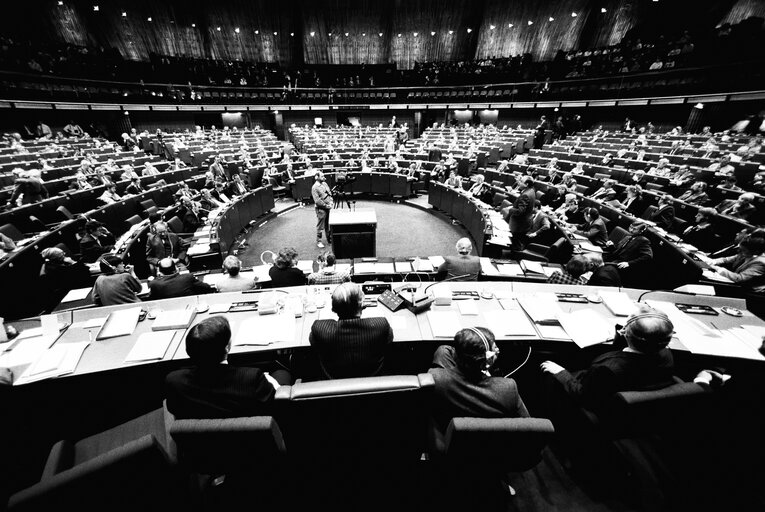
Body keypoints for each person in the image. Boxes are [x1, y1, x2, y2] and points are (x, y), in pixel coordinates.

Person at [541, 306, 675, 410]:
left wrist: (561, 373)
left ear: (626, 332)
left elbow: (584, 396)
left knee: (551, 372)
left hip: (597, 403)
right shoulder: (666, 355)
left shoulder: (607, 369)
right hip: (635, 396)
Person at [165, 316, 287, 419]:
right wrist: (271, 383)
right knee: (281, 372)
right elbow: (275, 408)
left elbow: (174, 409)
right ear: (227, 348)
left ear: (188, 351)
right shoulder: (252, 378)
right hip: (248, 441)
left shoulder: (174, 381)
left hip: (198, 444)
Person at [428, 327, 526, 444]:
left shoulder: (436, 378)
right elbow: (527, 426)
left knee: (443, 351)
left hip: (455, 441)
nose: (498, 349)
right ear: (487, 359)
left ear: (455, 356)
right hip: (491, 443)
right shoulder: (508, 387)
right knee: (444, 351)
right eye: (495, 347)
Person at [309, 282, 393, 380]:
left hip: (333, 378)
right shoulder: (381, 325)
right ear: (362, 304)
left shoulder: (319, 328)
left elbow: (314, 346)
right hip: (373, 377)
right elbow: (389, 342)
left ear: (333, 307)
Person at [148, 258, 214, 299]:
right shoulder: (188, 277)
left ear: (159, 272)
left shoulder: (154, 284)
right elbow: (207, 288)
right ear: (176, 269)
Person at [312, 172, 333, 248]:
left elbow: (329, 193)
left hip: (328, 207)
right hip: (321, 209)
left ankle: (329, 239)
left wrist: (331, 201)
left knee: (328, 224)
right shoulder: (314, 187)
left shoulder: (325, 184)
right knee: (320, 226)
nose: (324, 177)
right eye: (322, 176)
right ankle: (319, 241)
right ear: (317, 177)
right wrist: (326, 206)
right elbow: (317, 201)